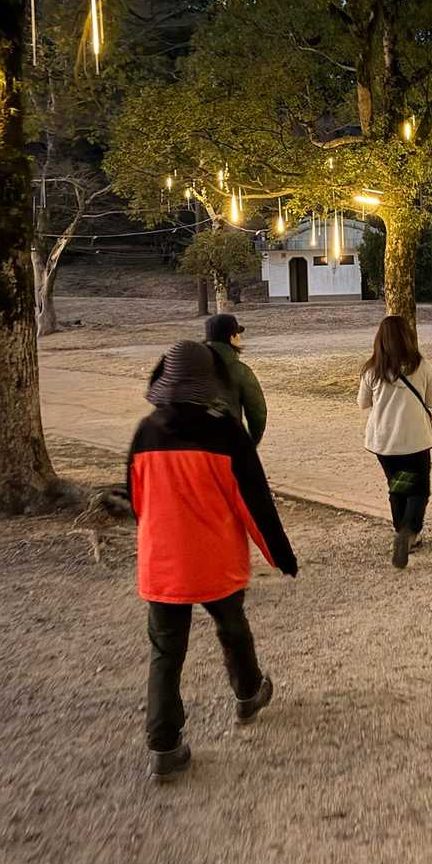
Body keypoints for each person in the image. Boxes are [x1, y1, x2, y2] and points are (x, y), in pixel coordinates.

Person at [127, 340, 298, 783]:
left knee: (166, 652)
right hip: (214, 560)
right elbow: (254, 505)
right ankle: (248, 692)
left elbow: (137, 501)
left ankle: (163, 745)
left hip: (163, 562)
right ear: (210, 381)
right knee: (232, 628)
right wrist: (281, 556)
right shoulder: (227, 434)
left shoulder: (146, 432)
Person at [358, 314, 432, 570]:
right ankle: (409, 531)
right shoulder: (422, 366)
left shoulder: (372, 370)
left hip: (384, 441)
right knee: (419, 489)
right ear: (408, 337)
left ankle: (399, 529)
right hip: (415, 439)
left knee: (398, 484)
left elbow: (362, 403)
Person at [204, 313, 267, 444]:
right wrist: (251, 443)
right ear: (231, 337)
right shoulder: (239, 370)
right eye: (237, 334)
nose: (239, 337)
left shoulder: (191, 364)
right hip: (227, 440)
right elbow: (257, 412)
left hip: (191, 443)